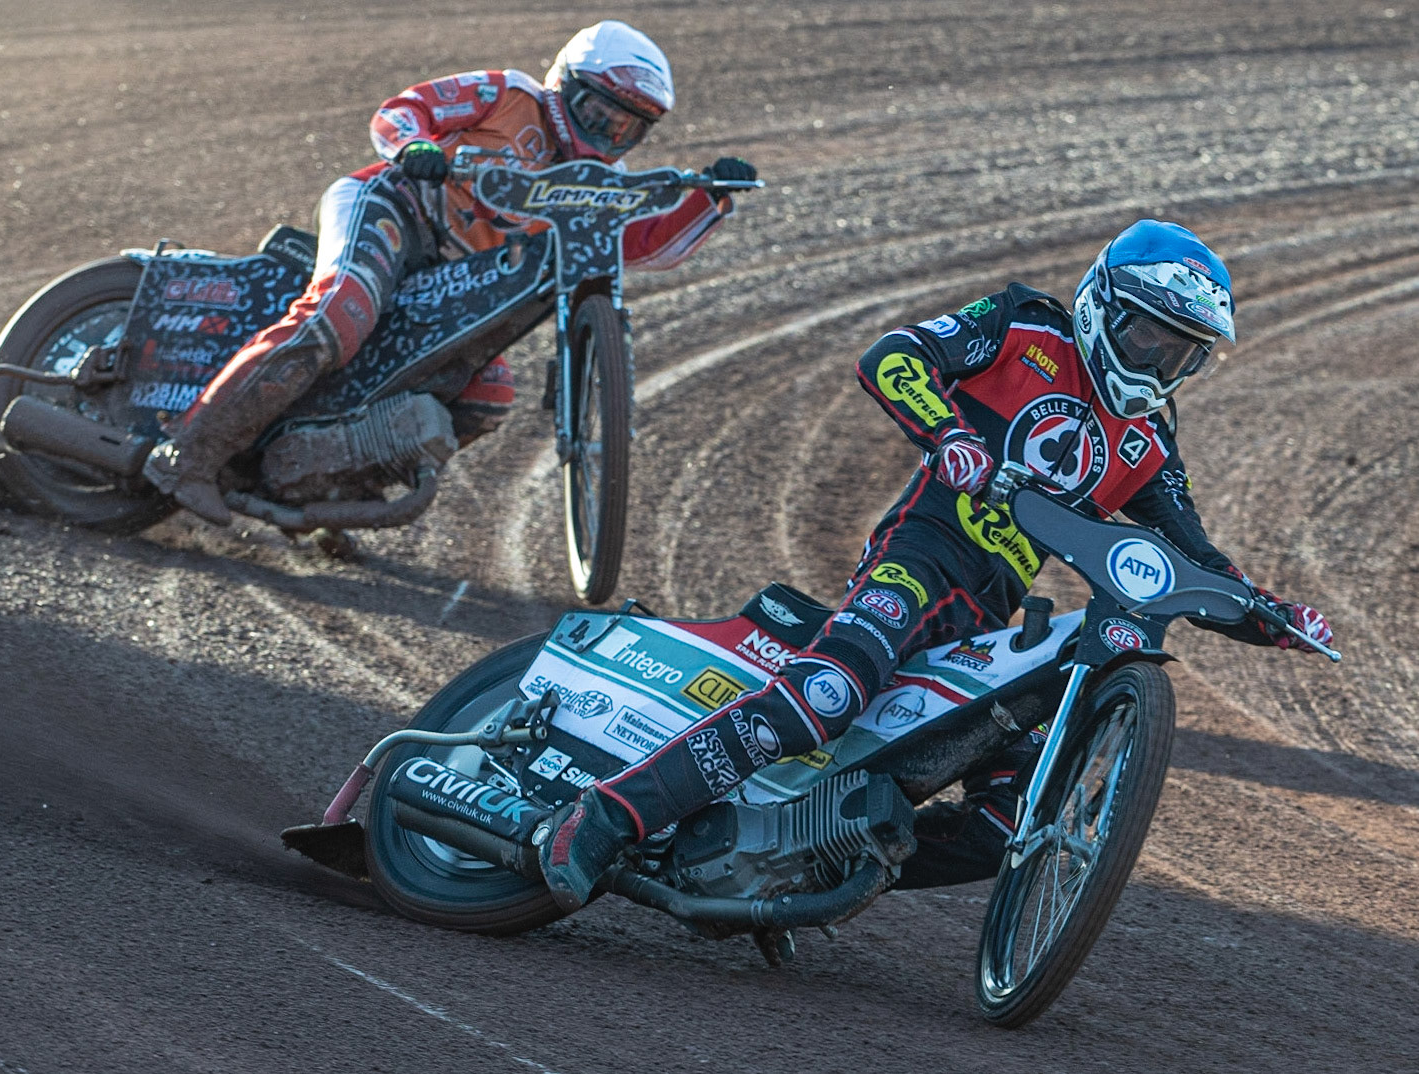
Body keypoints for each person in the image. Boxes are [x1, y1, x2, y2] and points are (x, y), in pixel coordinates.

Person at [539, 219, 1335, 908]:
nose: (1158, 363)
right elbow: (893, 356)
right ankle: (606, 815)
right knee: (828, 695)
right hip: (919, 555)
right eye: (1148, 337)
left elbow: (1197, 558)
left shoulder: (1149, 445)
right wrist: (950, 437)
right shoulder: (1026, 325)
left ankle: (800, 869)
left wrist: (1275, 617)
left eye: (1181, 354)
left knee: (1005, 826)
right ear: (1103, 304)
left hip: (987, 619)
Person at [143, 19, 757, 524]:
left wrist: (712, 197)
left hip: (454, 277)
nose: (607, 136)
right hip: (392, 209)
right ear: (564, 85)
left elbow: (642, 245)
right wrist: (415, 146)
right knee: (340, 314)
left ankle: (318, 493)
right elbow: (403, 109)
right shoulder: (507, 95)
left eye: (627, 129)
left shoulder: (598, 187)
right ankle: (188, 455)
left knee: (488, 396)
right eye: (599, 114)